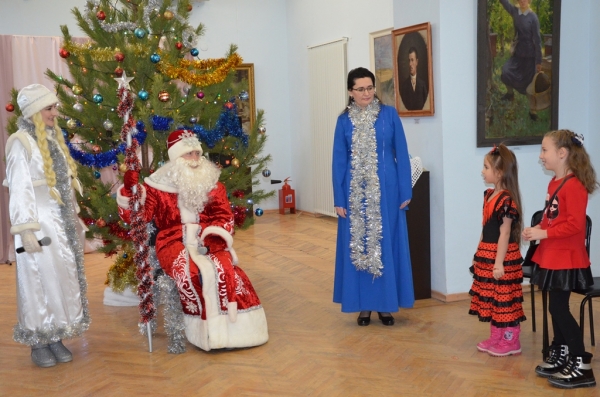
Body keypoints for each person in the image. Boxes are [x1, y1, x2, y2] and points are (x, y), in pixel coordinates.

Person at [117, 129, 268, 351]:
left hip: (208, 239)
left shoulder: (212, 183)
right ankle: (205, 333)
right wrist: (130, 194)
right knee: (192, 273)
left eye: (198, 154)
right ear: (176, 158)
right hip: (171, 241)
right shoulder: (156, 186)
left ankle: (237, 334)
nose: (195, 160)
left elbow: (224, 216)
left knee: (230, 273)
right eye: (189, 154)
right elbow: (139, 218)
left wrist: (215, 237)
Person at [3, 84, 90, 367]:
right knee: (37, 279)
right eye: (49, 108)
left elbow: (63, 183)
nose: (55, 113)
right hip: (36, 222)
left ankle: (56, 334)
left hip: (58, 221)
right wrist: (26, 228)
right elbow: (19, 187)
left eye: (54, 108)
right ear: (34, 112)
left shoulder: (52, 139)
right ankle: (38, 341)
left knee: (59, 277)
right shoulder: (20, 142)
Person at [332, 67, 414, 327]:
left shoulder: (389, 115)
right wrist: (339, 198)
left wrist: (405, 190)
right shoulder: (344, 121)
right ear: (350, 92)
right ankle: (363, 306)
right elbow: (338, 162)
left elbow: (402, 153)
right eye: (360, 89)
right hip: (355, 196)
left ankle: (386, 306)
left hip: (388, 193)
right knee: (358, 246)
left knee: (386, 245)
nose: (366, 93)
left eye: (370, 88)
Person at [523, 130, 598, 389]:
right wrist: (536, 230)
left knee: (558, 308)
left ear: (562, 153)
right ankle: (562, 350)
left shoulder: (575, 185)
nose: (541, 155)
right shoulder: (554, 182)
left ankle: (582, 364)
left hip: (567, 258)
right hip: (552, 255)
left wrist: (544, 232)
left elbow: (575, 225)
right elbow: (551, 216)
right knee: (556, 306)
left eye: (545, 150)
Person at [468, 144, 526, 357]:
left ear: (499, 172)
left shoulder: (506, 201)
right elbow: (485, 229)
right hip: (487, 253)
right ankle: (496, 336)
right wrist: (478, 254)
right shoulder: (488, 195)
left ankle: (511, 339)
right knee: (492, 298)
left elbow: (504, 233)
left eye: (486, 167)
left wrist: (499, 263)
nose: (482, 171)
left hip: (501, 256)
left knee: (505, 299)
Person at [499, 0, 543, 120]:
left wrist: (539, 61)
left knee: (530, 85)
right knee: (506, 71)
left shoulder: (533, 17)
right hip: (518, 55)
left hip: (530, 57)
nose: (523, 1)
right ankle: (510, 94)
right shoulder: (515, 11)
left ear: (529, 1)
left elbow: (538, 40)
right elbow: (504, 3)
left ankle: (532, 112)